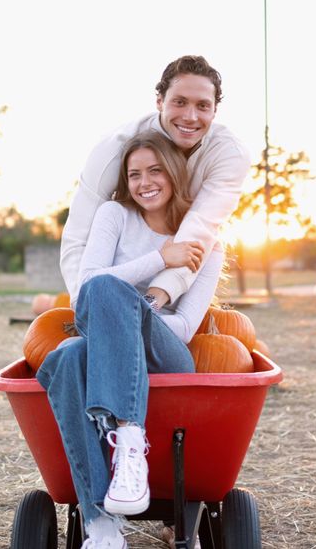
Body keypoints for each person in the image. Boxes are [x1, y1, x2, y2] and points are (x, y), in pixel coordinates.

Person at [37, 131, 224, 549]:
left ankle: (129, 437)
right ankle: (102, 527)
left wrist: (130, 313)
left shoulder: (205, 242)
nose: (145, 182)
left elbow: (183, 327)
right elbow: (86, 290)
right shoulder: (113, 215)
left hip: (166, 355)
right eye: (134, 173)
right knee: (68, 356)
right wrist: (160, 260)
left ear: (175, 174)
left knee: (109, 291)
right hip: (103, 351)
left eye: (155, 170)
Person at [61, 54, 250, 314]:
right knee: (71, 351)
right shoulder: (113, 150)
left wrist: (152, 303)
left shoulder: (229, 154)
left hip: (171, 294)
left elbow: (199, 230)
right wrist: (83, 307)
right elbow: (78, 235)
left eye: (203, 106)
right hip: (118, 275)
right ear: (160, 101)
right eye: (180, 102)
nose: (191, 117)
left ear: (215, 110)